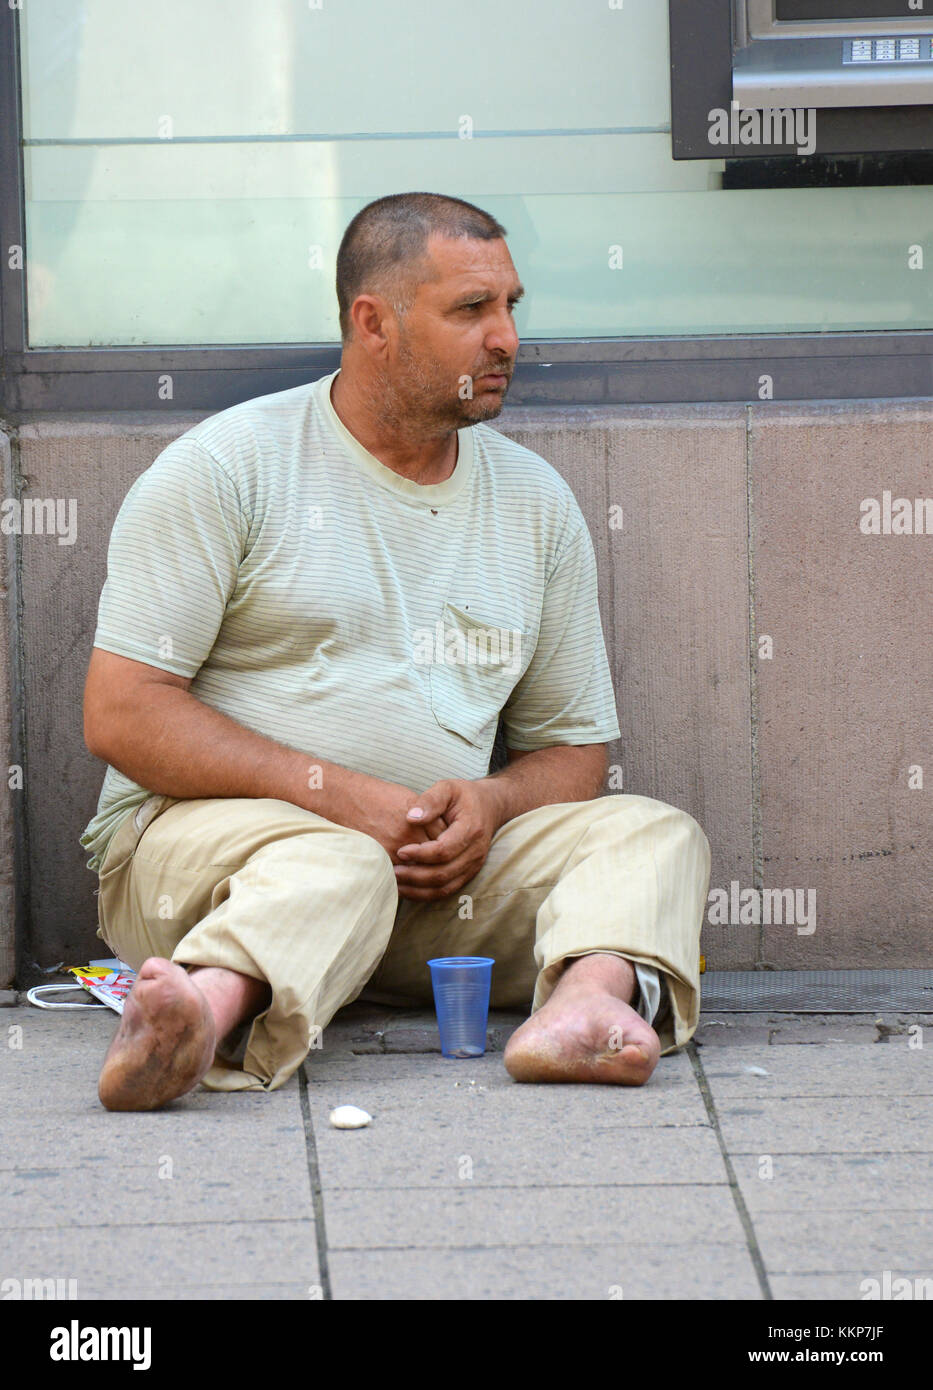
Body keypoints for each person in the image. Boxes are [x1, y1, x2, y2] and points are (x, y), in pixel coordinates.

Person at [80, 192, 710, 1111]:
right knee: (335, 859)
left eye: (510, 307)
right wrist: (339, 800)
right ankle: (200, 1017)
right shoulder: (226, 468)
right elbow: (122, 710)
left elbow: (573, 752)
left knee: (651, 833)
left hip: (427, 890)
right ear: (372, 322)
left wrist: (491, 804)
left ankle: (580, 1010)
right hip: (209, 862)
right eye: (470, 310)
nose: (505, 339)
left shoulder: (534, 505)